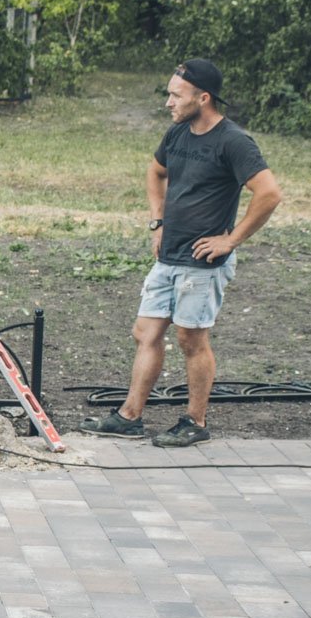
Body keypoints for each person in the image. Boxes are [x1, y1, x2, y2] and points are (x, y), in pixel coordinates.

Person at [80, 58, 282, 447]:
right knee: (145, 332)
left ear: (203, 98)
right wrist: (157, 222)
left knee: (191, 339)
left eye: (176, 95)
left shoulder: (233, 141)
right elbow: (156, 172)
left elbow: (269, 193)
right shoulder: (177, 134)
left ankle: (195, 422)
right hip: (168, 254)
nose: (168, 102)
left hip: (203, 262)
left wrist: (230, 240)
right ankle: (129, 417)